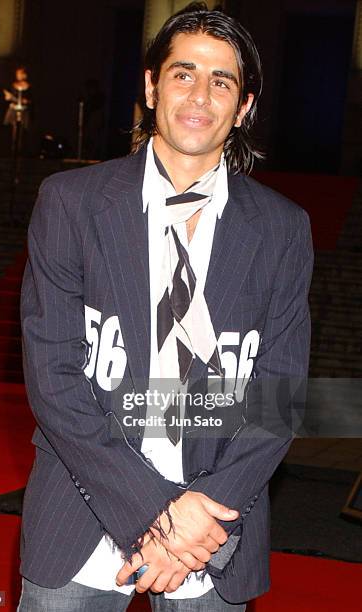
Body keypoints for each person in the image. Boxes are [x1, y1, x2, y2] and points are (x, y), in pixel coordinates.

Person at [18, 3, 313, 611]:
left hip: (213, 528)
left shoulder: (284, 229)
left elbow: (280, 394)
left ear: (245, 105)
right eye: (183, 73)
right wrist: (157, 514)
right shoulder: (70, 203)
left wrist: (193, 528)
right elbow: (53, 377)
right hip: (83, 508)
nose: (199, 94)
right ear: (151, 86)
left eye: (221, 80)